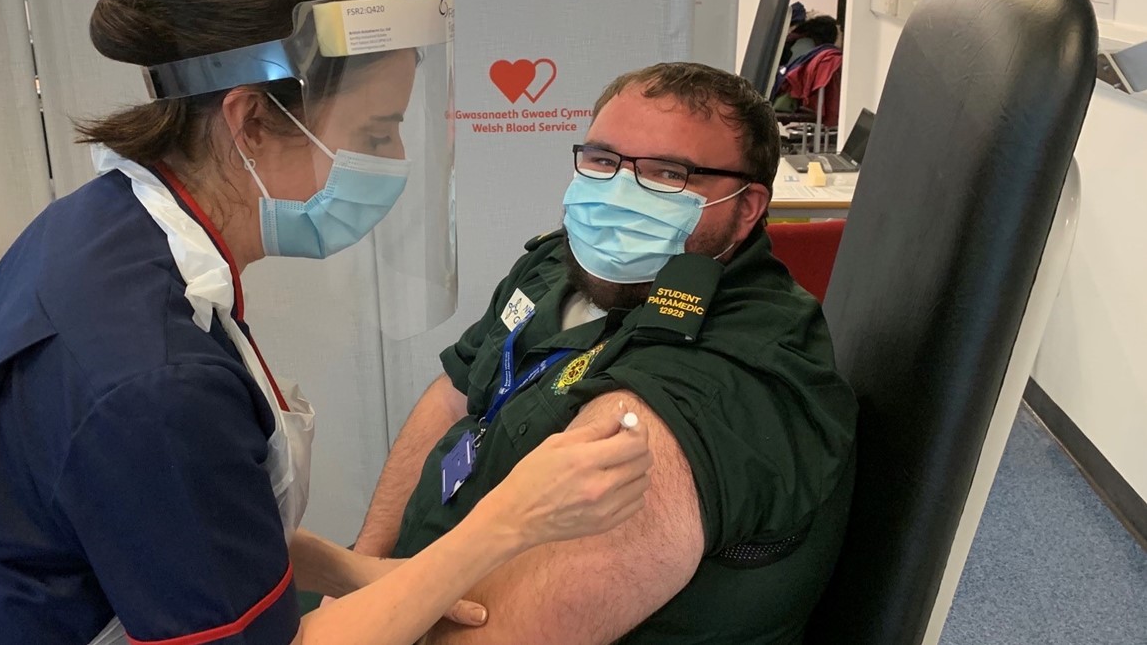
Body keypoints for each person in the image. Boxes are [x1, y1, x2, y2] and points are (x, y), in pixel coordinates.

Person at [0, 0, 652, 644]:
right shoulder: (153, 377)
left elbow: (181, 522)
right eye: (376, 133)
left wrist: (356, 573)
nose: (394, 161)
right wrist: (504, 524)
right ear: (252, 120)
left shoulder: (108, 226)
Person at [351, 63, 859, 644]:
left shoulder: (734, 366)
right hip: (400, 595)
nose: (618, 193)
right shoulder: (558, 267)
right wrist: (362, 570)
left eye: (669, 174)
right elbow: (453, 397)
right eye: (602, 161)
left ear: (746, 208)